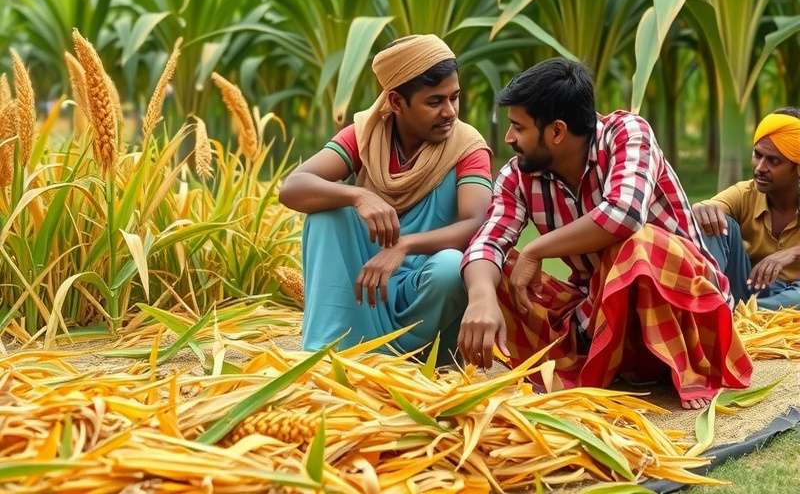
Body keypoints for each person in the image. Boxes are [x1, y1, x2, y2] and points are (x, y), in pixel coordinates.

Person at [457, 58, 752, 410]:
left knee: (636, 247)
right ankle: (592, 364)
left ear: (556, 132)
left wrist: (536, 251)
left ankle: (686, 368)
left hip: (681, 304)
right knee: (493, 272)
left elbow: (625, 215)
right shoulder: (517, 176)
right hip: (597, 311)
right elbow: (487, 241)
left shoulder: (627, 134)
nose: (509, 139)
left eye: (518, 127)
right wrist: (481, 298)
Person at [279, 34, 492, 357]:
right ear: (395, 102)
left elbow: (476, 224)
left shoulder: (467, 146)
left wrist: (404, 245)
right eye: (435, 101)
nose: (449, 112)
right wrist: (357, 196)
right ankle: (333, 351)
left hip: (426, 293)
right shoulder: (366, 136)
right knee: (328, 214)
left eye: (454, 97)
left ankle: (413, 360)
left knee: (451, 266)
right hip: (368, 289)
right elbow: (293, 188)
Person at [693, 108, 800, 310]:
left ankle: (740, 312)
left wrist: (793, 252)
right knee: (716, 222)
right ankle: (712, 305)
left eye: (773, 161)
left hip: (795, 294)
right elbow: (710, 207)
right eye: (757, 155)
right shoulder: (745, 193)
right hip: (750, 287)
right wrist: (702, 209)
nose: (760, 167)